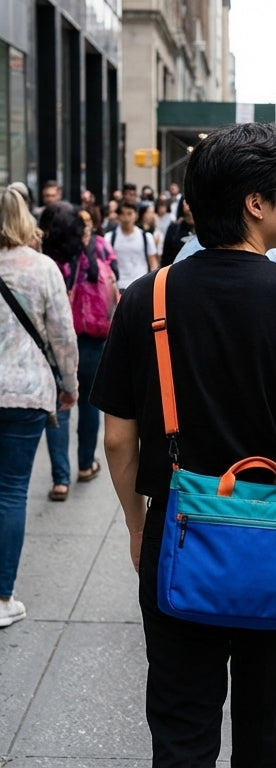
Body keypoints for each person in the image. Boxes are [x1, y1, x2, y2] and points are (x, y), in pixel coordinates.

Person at [90, 121, 276, 766]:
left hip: (178, 532)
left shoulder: (148, 298)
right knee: (266, 729)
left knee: (181, 727)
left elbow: (118, 438)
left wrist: (138, 524)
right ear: (255, 203)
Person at [0, 185, 78, 627]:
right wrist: (69, 385)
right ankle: (2, 597)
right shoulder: (42, 268)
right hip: (27, 391)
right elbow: (63, 336)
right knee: (12, 490)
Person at [38, 202, 112, 501]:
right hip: (91, 336)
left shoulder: (46, 263)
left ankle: (60, 480)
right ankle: (85, 464)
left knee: (60, 405)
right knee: (89, 404)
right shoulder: (97, 251)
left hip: (54, 342)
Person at [107, 200, 158, 292]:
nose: (126, 218)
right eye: (122, 214)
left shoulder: (146, 237)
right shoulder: (109, 238)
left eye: (129, 214)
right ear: (118, 216)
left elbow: (153, 262)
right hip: (119, 288)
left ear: (136, 215)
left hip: (141, 286)